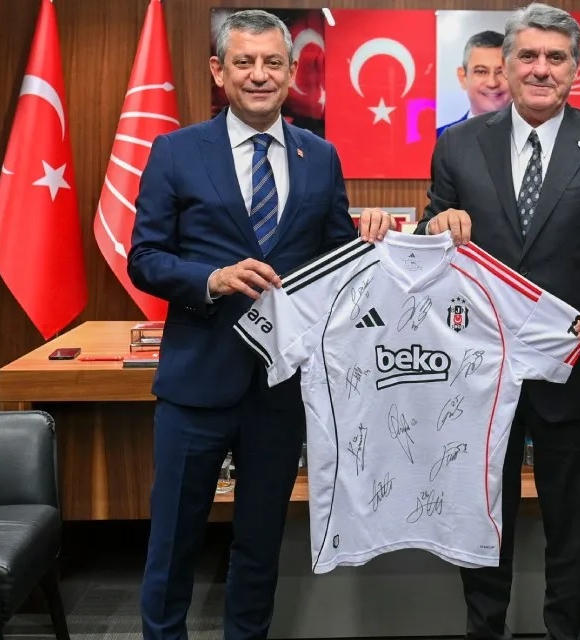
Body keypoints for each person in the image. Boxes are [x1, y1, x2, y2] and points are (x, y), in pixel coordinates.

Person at [127, 10, 393, 640]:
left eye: (273, 62)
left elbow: (337, 264)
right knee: (173, 541)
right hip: (196, 384)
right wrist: (211, 279)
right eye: (243, 62)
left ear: (292, 72)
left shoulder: (320, 156)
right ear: (218, 71)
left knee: (260, 541)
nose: (259, 74)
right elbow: (145, 258)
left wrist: (372, 241)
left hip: (282, 389)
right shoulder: (175, 151)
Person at [417, 3, 580, 638]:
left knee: (572, 527)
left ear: (574, 68)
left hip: (573, 366)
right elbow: (431, 234)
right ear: (507, 64)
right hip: (478, 375)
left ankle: (568, 631)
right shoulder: (458, 144)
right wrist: (436, 226)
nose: (541, 69)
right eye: (529, 56)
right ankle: (484, 629)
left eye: (556, 57)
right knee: (481, 521)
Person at [437, 30, 511, 137]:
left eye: (501, 72)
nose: (492, 83)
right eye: (481, 71)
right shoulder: (438, 140)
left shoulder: (533, 139)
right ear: (463, 77)